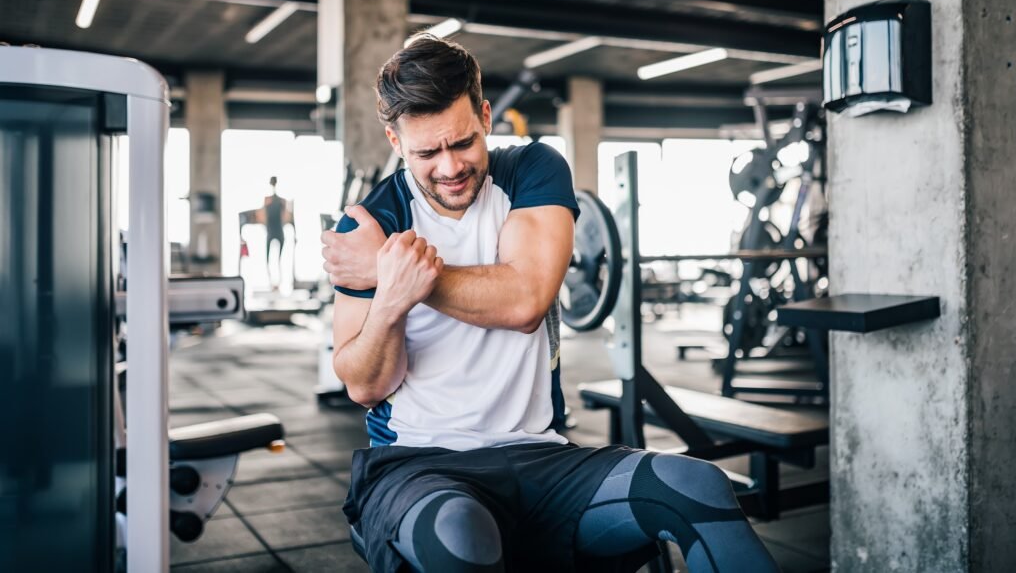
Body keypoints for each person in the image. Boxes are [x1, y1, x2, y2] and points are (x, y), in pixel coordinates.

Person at [320, 35, 778, 573]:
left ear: (486, 116)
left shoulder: (532, 170)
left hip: (543, 454)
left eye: (462, 142)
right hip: (420, 465)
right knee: (457, 534)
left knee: (695, 485)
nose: (449, 167)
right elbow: (365, 383)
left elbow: (525, 300)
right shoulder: (372, 225)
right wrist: (390, 298)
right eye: (426, 152)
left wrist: (396, 272)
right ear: (395, 142)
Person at [263, 176, 291, 289]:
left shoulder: (280, 201)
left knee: (279, 259)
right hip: (272, 231)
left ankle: (279, 283)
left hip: (277, 231)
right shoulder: (268, 200)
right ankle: (272, 283)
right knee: (269, 259)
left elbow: (285, 217)